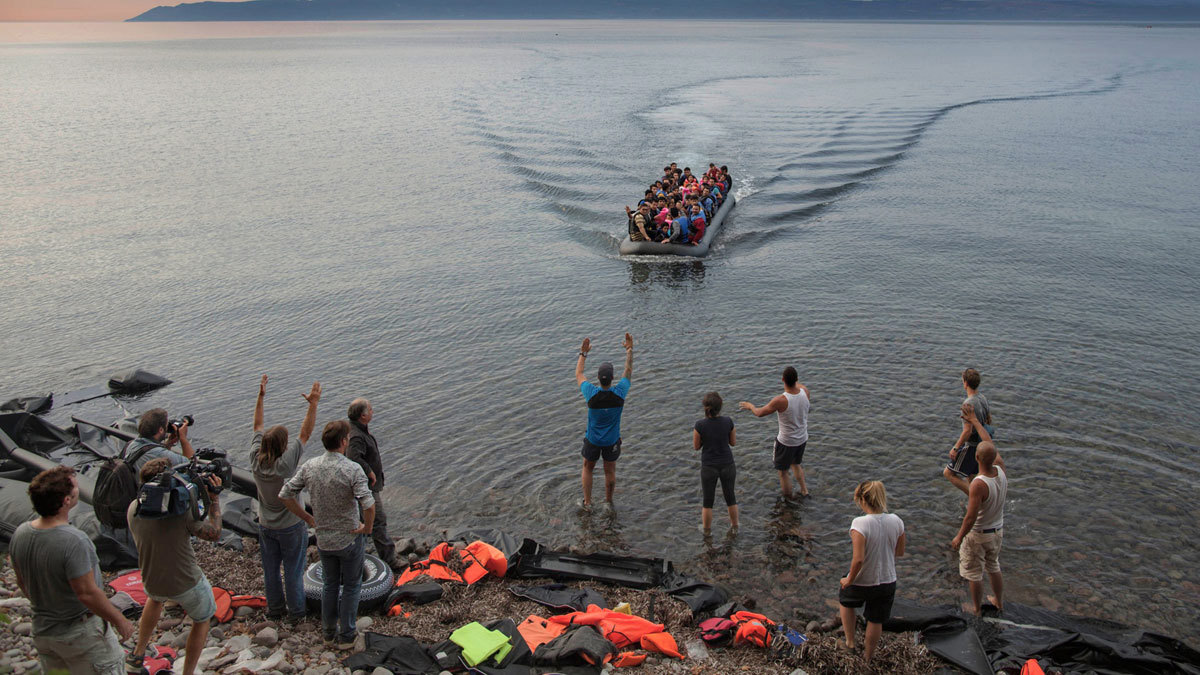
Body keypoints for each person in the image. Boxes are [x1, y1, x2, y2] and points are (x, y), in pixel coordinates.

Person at [10, 467, 135, 675]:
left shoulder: (21, 533)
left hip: (44, 631)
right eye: (76, 487)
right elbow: (86, 592)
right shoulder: (74, 539)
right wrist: (119, 620)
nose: (79, 488)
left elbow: (22, 581)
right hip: (81, 635)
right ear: (66, 500)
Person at [280, 420, 374, 650]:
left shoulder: (310, 466)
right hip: (349, 537)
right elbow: (369, 504)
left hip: (324, 538)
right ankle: (347, 635)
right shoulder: (352, 469)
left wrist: (307, 518)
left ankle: (328, 633)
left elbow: (285, 494)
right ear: (343, 442)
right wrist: (367, 528)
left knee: (330, 585)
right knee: (352, 586)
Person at [127, 458, 224, 675]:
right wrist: (214, 500)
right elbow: (215, 533)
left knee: (155, 599)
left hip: (152, 578)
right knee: (202, 619)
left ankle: (137, 654)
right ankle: (187, 672)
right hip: (187, 581)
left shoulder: (133, 508)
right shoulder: (181, 512)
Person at [251, 375, 321, 621]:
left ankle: (276, 610)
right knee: (293, 569)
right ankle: (297, 613)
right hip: (290, 525)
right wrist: (313, 404)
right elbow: (306, 433)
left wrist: (260, 397)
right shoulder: (285, 466)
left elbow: (257, 426)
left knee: (271, 570)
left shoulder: (255, 460)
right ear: (283, 446)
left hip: (266, 524)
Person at [838, 481, 905, 664]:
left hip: (863, 580)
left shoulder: (860, 523)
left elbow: (858, 559)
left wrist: (849, 579)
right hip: (887, 579)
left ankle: (850, 643)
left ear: (862, 500)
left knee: (845, 600)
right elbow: (899, 552)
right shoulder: (897, 521)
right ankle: (868, 657)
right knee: (875, 619)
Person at [949, 403, 1007, 615]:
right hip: (998, 531)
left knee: (974, 573)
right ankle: (999, 602)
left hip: (979, 534)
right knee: (994, 567)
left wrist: (958, 537)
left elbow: (970, 517)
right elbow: (988, 443)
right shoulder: (1001, 470)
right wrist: (975, 422)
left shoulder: (978, 484)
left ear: (976, 458)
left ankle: (976, 608)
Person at [575, 333, 633, 509]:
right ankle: (608, 502)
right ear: (613, 379)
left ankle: (588, 502)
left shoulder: (591, 394)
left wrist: (583, 354)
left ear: (598, 379)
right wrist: (629, 350)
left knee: (587, 467)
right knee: (610, 471)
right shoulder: (620, 393)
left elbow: (579, 373)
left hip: (593, 440)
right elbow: (628, 371)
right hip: (611, 441)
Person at [739, 366, 812, 500]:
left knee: (783, 472)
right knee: (796, 464)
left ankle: (788, 499)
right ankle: (804, 491)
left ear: (782, 380)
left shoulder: (780, 400)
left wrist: (750, 406)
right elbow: (798, 386)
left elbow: (759, 413)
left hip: (786, 442)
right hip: (802, 438)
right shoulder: (805, 392)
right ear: (797, 380)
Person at [346, 397, 397, 569]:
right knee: (378, 519)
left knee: (364, 520)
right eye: (370, 410)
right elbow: (353, 457)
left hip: (365, 486)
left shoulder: (357, 430)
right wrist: (369, 471)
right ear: (362, 416)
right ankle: (389, 559)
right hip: (365, 487)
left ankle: (361, 554)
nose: (373, 412)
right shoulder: (356, 436)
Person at [693, 392, 738, 534]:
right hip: (727, 464)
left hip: (709, 466)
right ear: (720, 407)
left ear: (705, 407)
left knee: (708, 502)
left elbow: (696, 446)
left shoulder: (699, 425)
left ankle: (706, 531)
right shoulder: (728, 421)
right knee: (731, 498)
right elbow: (733, 442)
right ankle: (735, 526)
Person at [944, 368, 992, 482]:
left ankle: (974, 498)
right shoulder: (982, 398)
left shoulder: (967, 404)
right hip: (982, 444)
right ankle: (975, 498)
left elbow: (967, 431)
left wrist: (955, 448)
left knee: (948, 473)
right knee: (971, 476)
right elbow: (988, 420)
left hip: (971, 446)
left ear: (965, 383)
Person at [125, 407, 194, 474]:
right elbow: (191, 465)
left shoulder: (131, 445)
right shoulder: (158, 453)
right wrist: (183, 438)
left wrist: (168, 444)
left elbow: (160, 456)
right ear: (161, 430)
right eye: (167, 425)